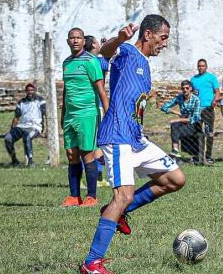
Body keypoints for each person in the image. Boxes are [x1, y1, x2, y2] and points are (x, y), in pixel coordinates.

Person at [80, 15, 186, 274]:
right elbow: (101, 55)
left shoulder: (144, 63)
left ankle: (116, 211)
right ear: (148, 34)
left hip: (136, 138)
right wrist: (119, 39)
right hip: (117, 135)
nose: (164, 44)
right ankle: (92, 263)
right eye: (163, 38)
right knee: (123, 195)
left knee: (175, 179)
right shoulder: (125, 50)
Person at [62, 27, 109, 208]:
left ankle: (91, 196)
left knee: (87, 154)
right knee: (71, 154)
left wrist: (107, 114)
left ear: (83, 41)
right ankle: (74, 196)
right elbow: (66, 90)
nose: (75, 41)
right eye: (72, 38)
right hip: (70, 116)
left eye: (78, 38)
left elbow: (101, 89)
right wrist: (63, 114)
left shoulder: (91, 61)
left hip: (87, 114)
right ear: (68, 41)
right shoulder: (66, 63)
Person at [85, 35, 111, 186]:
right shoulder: (97, 61)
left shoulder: (83, 60)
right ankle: (97, 175)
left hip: (86, 106)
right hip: (97, 105)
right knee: (99, 141)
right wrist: (107, 47)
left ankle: (92, 175)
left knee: (90, 141)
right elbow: (107, 62)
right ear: (94, 44)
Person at [4, 82, 46, 167]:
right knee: (8, 138)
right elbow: (16, 117)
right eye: (28, 90)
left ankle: (30, 162)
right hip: (23, 126)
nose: (30, 92)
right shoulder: (21, 102)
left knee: (27, 136)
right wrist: (12, 129)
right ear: (25, 91)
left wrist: (46, 130)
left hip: (35, 126)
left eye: (32, 90)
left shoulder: (40, 100)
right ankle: (14, 161)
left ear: (34, 90)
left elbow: (46, 114)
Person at [160, 80, 202, 159]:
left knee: (175, 124)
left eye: (187, 88)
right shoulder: (179, 97)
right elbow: (164, 107)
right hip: (184, 123)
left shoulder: (196, 100)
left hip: (194, 125)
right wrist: (175, 112)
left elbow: (195, 118)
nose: (185, 90)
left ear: (190, 88)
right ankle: (175, 150)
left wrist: (178, 120)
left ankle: (176, 151)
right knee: (174, 125)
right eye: (183, 88)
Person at [190, 58, 219, 164]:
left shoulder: (211, 77)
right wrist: (193, 93)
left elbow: (217, 92)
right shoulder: (193, 79)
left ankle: (209, 155)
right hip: (197, 109)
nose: (200, 67)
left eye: (202, 66)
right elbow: (190, 92)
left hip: (208, 108)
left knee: (209, 132)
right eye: (199, 66)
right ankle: (198, 155)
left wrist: (215, 101)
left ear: (206, 67)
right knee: (197, 132)